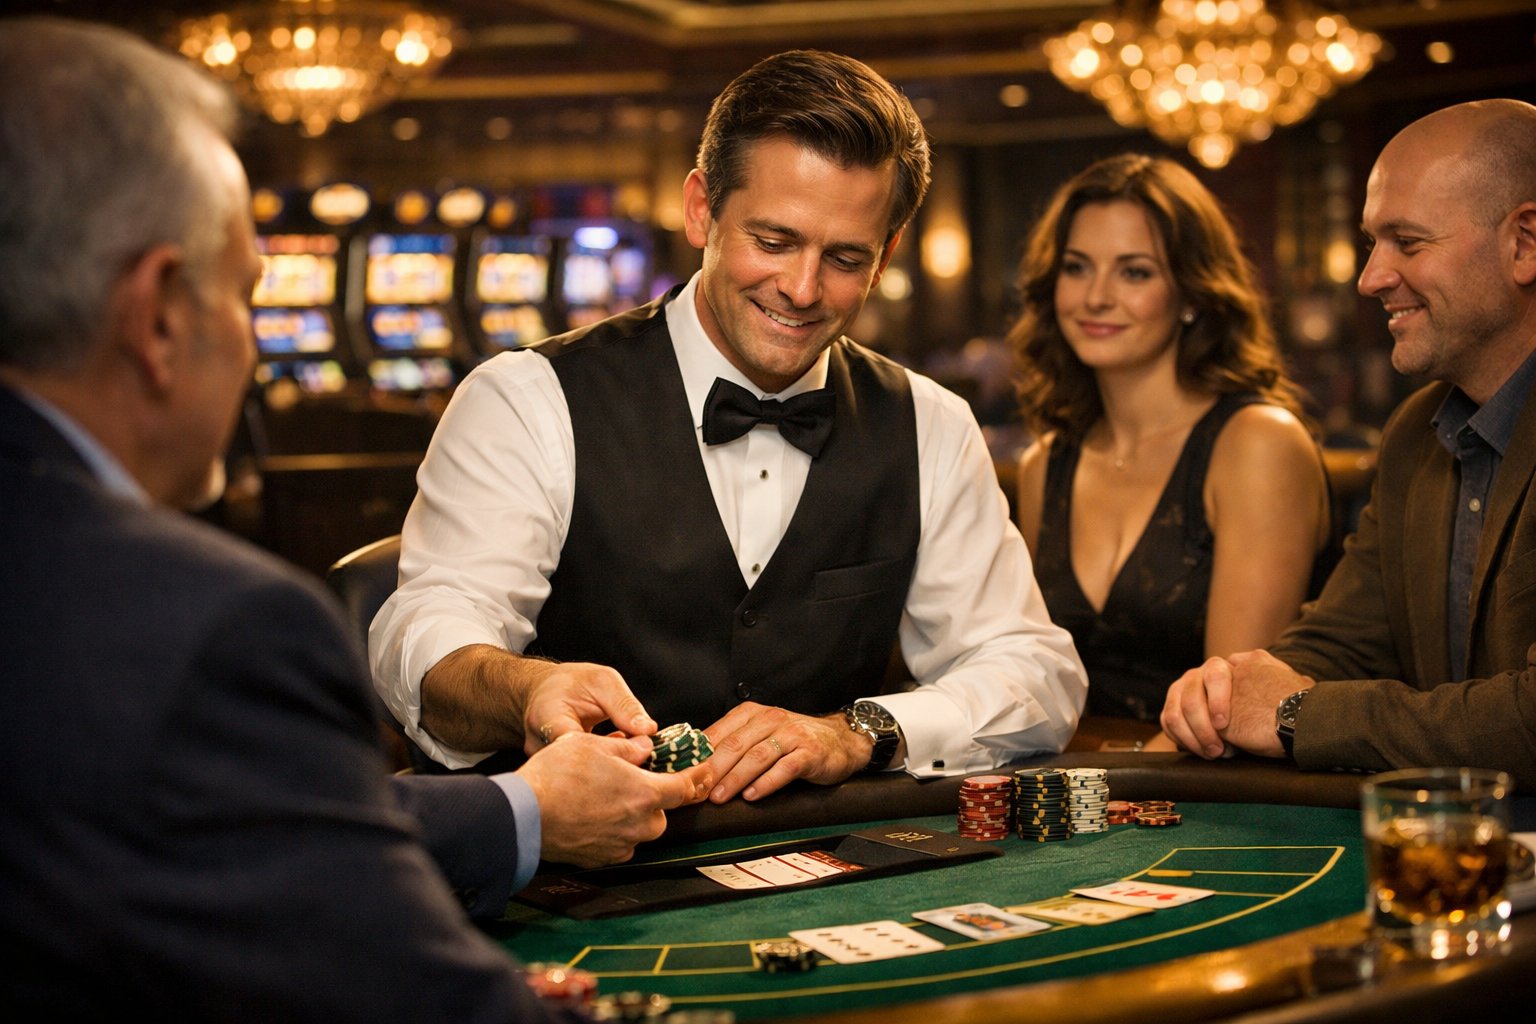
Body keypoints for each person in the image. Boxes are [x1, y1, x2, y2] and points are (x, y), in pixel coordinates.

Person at [0, 17, 709, 1019]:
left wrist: (524, 809)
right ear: (159, 315)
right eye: (249, 297)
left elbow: (214, 815)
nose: (257, 349)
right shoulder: (215, 628)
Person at [370, 49, 1087, 801]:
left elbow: (1034, 672)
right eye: (773, 242)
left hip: (819, 861)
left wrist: (856, 731)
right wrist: (526, 690)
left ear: (885, 259)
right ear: (701, 208)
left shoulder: (928, 424)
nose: (802, 289)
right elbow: (422, 634)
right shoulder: (526, 398)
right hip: (580, 867)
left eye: (844, 257)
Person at [1160, 98, 1536, 790]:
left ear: (1525, 242)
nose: (1371, 278)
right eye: (1371, 243)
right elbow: (1344, 640)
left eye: (1409, 243)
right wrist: (1228, 690)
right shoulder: (1414, 434)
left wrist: (1299, 714)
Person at [1009, 154, 1330, 725]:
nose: (1096, 297)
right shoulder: (1045, 464)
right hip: (1069, 787)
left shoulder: (1257, 445)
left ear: (1190, 294)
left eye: (1135, 272)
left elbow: (1229, 710)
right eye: (1077, 268)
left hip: (1211, 792)